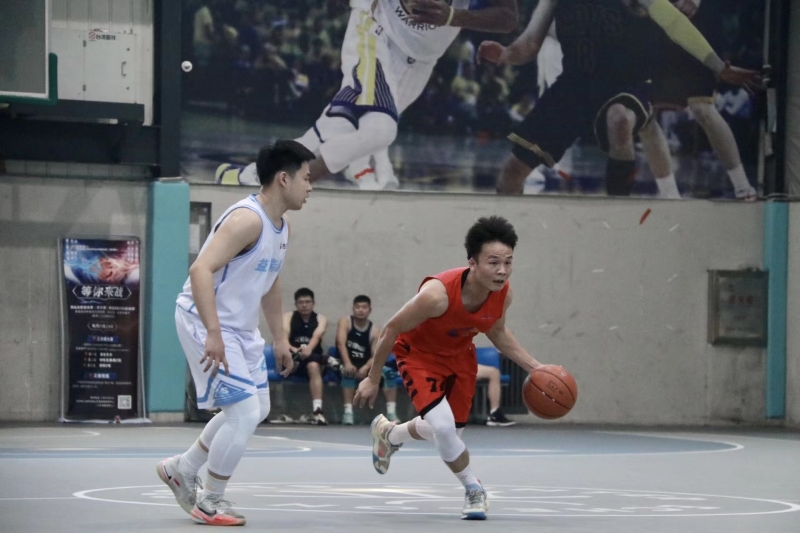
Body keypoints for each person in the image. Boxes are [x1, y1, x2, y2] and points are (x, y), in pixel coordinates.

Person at [158, 140, 314, 526]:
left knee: (257, 408)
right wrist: (213, 332)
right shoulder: (248, 220)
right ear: (283, 179)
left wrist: (279, 338)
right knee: (242, 413)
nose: (310, 187)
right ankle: (210, 501)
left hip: (240, 328)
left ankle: (182, 468)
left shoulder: (281, 226)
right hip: (205, 321)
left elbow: (271, 283)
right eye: (306, 178)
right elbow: (200, 269)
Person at [354, 216, 544, 520]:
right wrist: (373, 378)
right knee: (443, 429)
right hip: (418, 356)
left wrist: (536, 367)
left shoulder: (503, 294)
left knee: (449, 432)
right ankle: (473, 488)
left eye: (508, 262)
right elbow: (390, 329)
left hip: (459, 358)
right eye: (494, 262)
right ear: (472, 262)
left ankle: (390, 435)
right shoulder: (436, 295)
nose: (502, 270)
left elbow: (496, 332)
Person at [478, 0, 761, 197]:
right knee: (512, 172)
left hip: (628, 84)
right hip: (574, 86)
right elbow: (529, 44)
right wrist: (505, 54)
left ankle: (619, 209)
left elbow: (675, 22)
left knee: (619, 119)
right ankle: (504, 247)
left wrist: (718, 66)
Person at [222, 0, 519, 185]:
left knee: (338, 127)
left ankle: (251, 176)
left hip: (421, 61)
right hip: (376, 31)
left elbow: (508, 17)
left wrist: (454, 16)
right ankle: (289, 184)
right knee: (379, 130)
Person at [647, 0, 757, 200]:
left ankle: (743, 186)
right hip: (654, 22)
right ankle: (669, 195)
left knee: (702, 107)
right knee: (645, 109)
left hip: (697, 22)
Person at [336, 295, 400, 425]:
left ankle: (391, 412)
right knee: (348, 372)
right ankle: (348, 412)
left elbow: (376, 355)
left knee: (389, 373)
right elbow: (340, 344)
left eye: (364, 307)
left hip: (366, 364)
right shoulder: (345, 322)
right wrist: (347, 363)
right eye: (357, 307)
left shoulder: (375, 330)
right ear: (353, 309)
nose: (360, 310)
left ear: (369, 310)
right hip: (347, 362)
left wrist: (366, 367)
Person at [283, 287, 329, 425]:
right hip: (293, 359)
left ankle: (317, 410)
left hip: (313, 359)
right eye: (301, 302)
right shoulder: (288, 317)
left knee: (313, 365)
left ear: (313, 303)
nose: (304, 305)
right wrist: (294, 349)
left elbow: (317, 335)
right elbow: (283, 336)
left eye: (308, 302)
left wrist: (308, 349)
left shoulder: (321, 319)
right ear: (296, 304)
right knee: (293, 361)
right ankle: (328, 361)